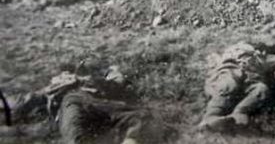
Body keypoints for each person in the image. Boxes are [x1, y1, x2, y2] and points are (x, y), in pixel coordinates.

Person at [1, 68, 177, 144]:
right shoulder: (53, 92)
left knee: (142, 118)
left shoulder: (96, 83)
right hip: (70, 103)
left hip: (82, 102)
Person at [198, 42, 275, 132]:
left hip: (251, 80)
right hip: (231, 72)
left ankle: (239, 113)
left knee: (261, 89)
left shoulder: (264, 58)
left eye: (267, 49)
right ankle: (211, 116)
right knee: (229, 85)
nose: (264, 50)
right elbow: (215, 60)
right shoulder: (236, 49)